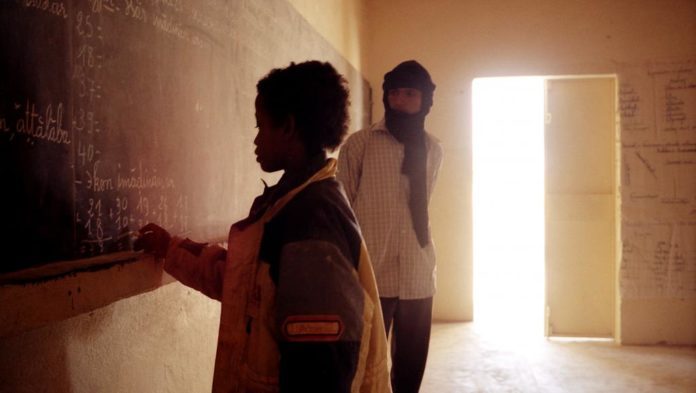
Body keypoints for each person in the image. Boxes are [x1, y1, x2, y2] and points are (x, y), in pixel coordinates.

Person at [135, 61, 391, 393]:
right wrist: (170, 248)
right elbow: (243, 283)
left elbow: (322, 368)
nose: (256, 140)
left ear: (287, 126)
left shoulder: (311, 221)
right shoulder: (289, 203)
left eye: (261, 126)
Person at [336, 60, 442, 393]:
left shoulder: (433, 149)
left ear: (425, 100)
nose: (401, 100)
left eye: (410, 94)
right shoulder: (359, 145)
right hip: (371, 274)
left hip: (418, 272)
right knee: (365, 366)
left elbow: (423, 205)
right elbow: (345, 208)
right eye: (394, 93)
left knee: (410, 369)